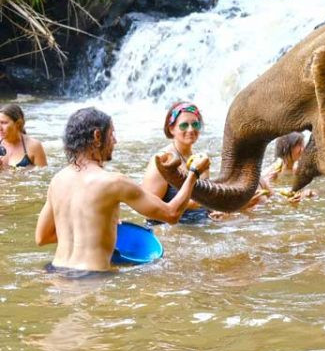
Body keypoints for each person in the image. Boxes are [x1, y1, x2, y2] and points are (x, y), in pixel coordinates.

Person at [34, 107, 210, 274]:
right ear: (97, 136)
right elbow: (172, 214)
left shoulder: (57, 180)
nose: (115, 141)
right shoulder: (114, 182)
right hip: (90, 278)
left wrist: (95, 230)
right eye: (112, 134)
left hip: (54, 272)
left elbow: (42, 237)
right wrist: (194, 173)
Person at [142, 101, 214, 223]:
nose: (191, 129)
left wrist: (216, 211)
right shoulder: (162, 161)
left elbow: (205, 200)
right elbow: (148, 210)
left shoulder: (200, 159)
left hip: (200, 227)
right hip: (170, 230)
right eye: (184, 125)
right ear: (171, 129)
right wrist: (189, 203)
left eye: (195, 125)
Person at [0, 103, 47, 169]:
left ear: (18, 123)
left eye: (4, 123)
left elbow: (43, 176)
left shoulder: (34, 146)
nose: (0, 128)